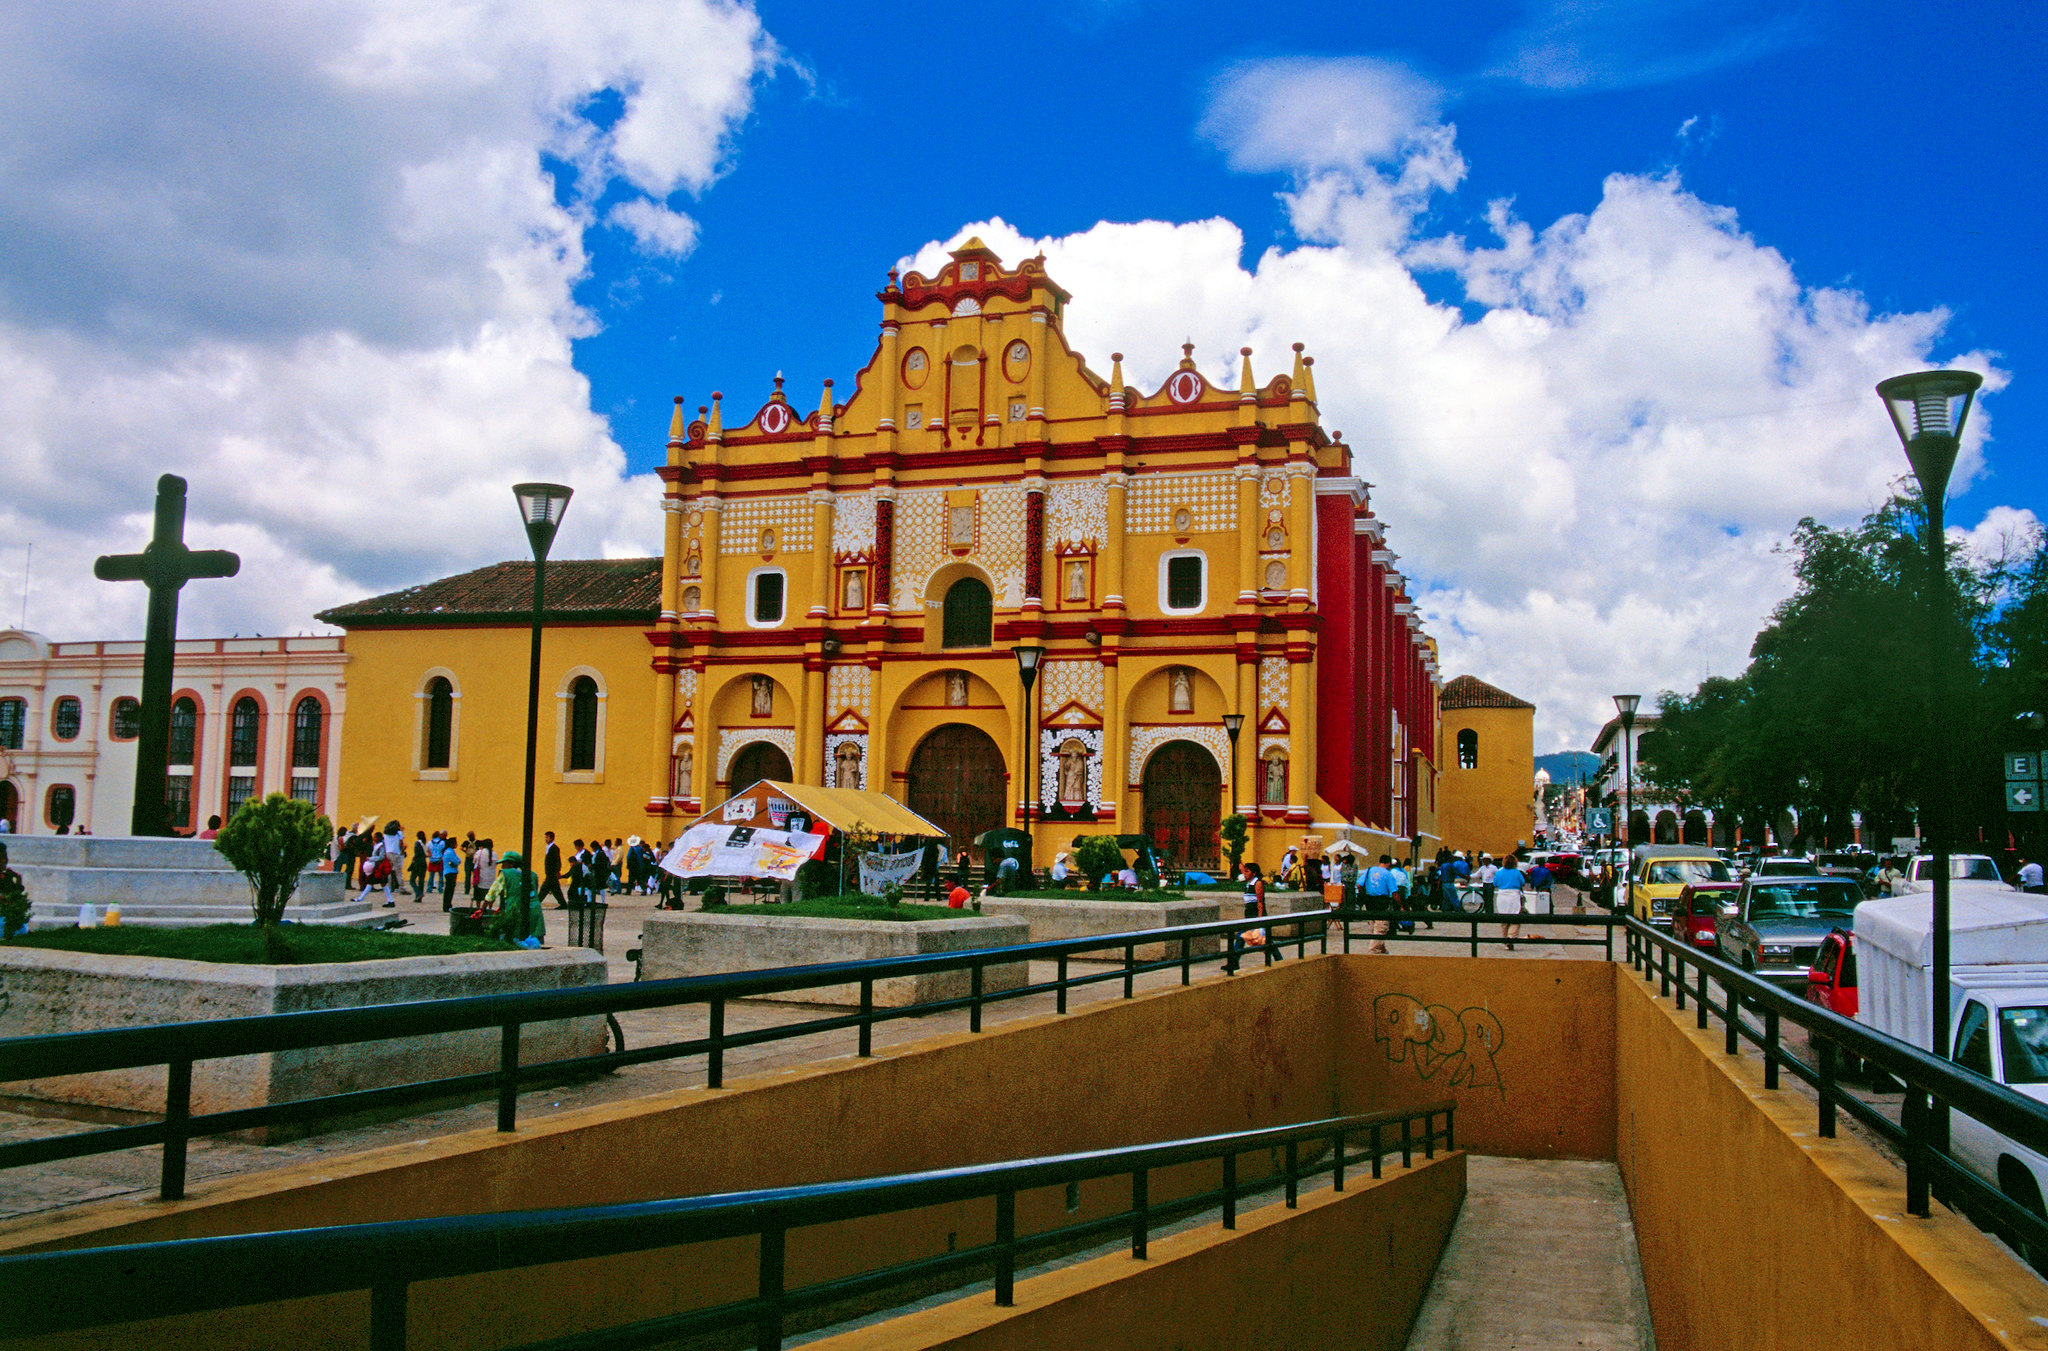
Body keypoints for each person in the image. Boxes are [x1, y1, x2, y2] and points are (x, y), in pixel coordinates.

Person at [490, 849, 545, 947]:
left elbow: (492, 894)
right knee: (535, 943)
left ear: (511, 864)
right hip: (535, 913)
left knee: (516, 941)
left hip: (517, 912)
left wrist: (483, 908)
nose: (502, 866)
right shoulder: (533, 875)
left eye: (504, 863)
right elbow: (534, 892)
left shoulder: (506, 873)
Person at [1494, 853, 1526, 949]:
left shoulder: (1499, 872)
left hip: (1502, 896)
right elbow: (1523, 883)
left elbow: (1495, 883)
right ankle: (1511, 937)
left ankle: (1505, 940)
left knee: (1504, 919)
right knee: (1515, 918)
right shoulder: (1517, 872)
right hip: (1514, 896)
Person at [408, 831, 428, 903]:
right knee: (421, 881)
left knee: (412, 880)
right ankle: (419, 898)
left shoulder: (417, 843)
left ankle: (418, 893)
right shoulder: (425, 844)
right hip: (424, 863)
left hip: (417, 863)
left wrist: (411, 864)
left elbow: (417, 854)